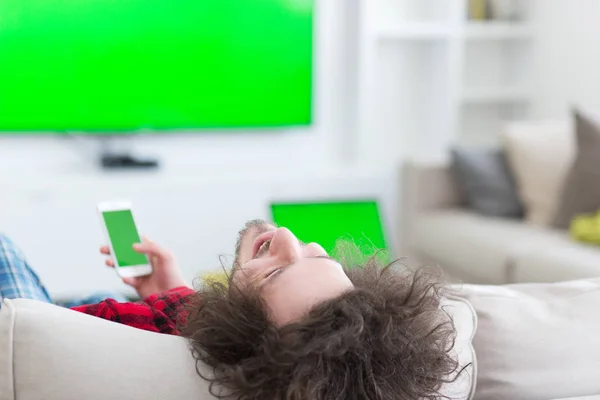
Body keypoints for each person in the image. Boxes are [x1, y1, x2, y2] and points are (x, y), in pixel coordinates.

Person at [0, 220, 464, 399]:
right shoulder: (186, 315)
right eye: (318, 257)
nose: (289, 239)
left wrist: (163, 307)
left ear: (234, 330)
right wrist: (174, 291)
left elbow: (30, 329)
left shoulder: (145, 330)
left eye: (274, 272)